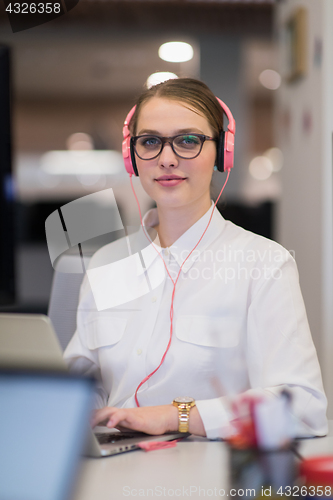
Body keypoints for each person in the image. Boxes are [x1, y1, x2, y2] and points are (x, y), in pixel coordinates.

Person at [64, 78, 327, 439]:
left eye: (188, 141)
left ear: (222, 152)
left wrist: (176, 416)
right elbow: (80, 386)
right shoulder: (107, 264)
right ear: (132, 155)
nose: (167, 159)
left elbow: (303, 407)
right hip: (108, 469)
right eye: (150, 142)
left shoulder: (264, 264)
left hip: (209, 474)